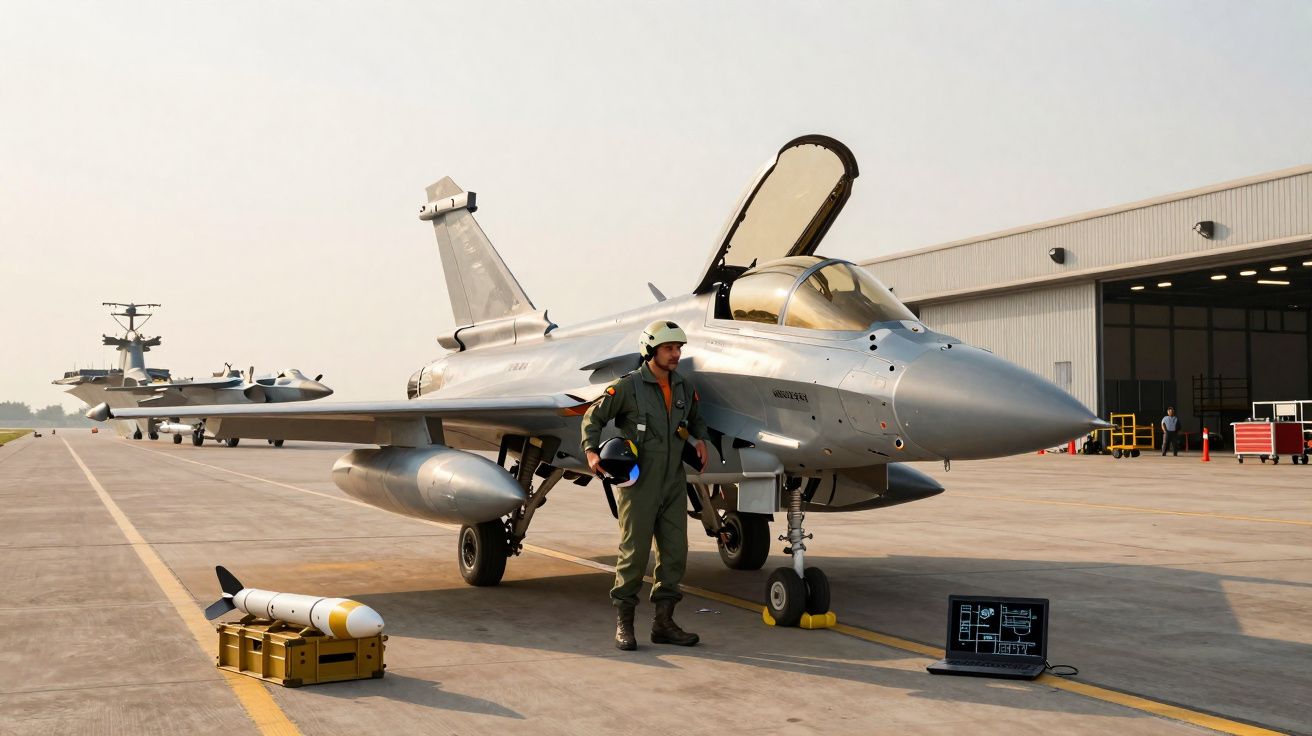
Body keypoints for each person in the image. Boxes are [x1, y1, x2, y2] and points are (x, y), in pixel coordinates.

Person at [581, 320, 709, 651]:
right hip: (639, 482)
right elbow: (593, 418)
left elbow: (695, 417)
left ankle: (663, 623)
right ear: (651, 350)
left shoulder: (682, 387)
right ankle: (624, 623)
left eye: (679, 348)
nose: (676, 354)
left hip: (673, 481)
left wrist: (701, 441)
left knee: (675, 553)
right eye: (669, 348)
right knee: (634, 554)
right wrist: (592, 453)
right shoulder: (628, 387)